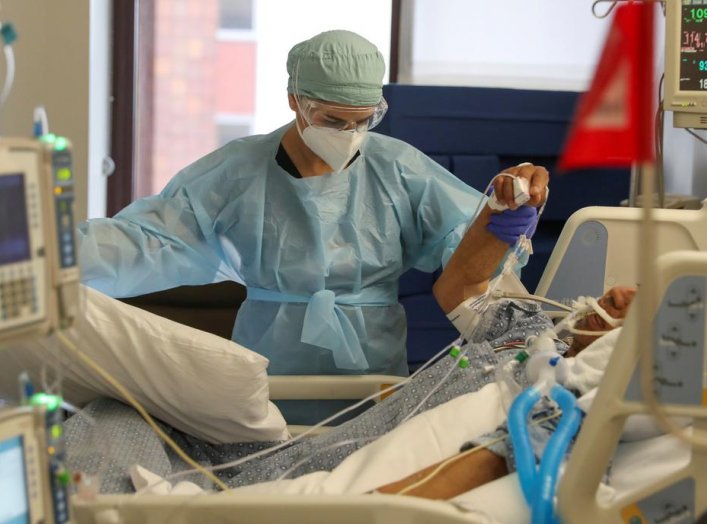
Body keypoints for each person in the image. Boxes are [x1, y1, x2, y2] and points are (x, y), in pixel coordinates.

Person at [78, 30, 549, 410]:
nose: (350, 134)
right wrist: (50, 254)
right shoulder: (236, 172)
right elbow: (148, 240)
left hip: (373, 367)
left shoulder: (399, 168)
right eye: (333, 120)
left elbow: (465, 252)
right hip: (270, 363)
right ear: (295, 101)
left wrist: (505, 215)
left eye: (363, 121)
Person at [64, 286, 633, 494]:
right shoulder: (527, 334)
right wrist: (500, 212)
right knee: (112, 402)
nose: (622, 292)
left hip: (275, 486)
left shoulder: (548, 412)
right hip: (264, 457)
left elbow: (492, 463)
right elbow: (464, 287)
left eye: (642, 303)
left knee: (93, 441)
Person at [376, 286, 636, 500]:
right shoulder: (531, 328)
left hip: (377, 485)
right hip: (356, 451)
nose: (618, 293)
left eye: (643, 303)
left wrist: (360, 511)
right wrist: (503, 221)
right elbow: (457, 288)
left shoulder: (570, 405)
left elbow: (506, 455)